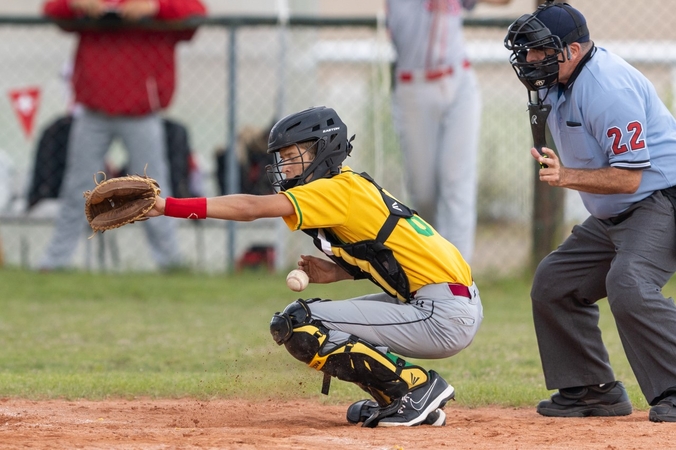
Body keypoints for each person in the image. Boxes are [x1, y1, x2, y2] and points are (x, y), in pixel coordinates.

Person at [146, 106, 483, 427]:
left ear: (323, 153)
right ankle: (397, 398)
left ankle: (415, 389)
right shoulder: (349, 185)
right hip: (445, 303)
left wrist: (166, 206)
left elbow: (250, 207)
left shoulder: (333, 190)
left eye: (293, 157)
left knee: (299, 323)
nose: (286, 167)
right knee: (318, 321)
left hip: (441, 314)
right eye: (282, 159)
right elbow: (391, 255)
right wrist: (337, 271)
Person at [504, 2, 676, 422]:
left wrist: (567, 176)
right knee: (553, 282)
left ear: (574, 50)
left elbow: (631, 179)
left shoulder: (608, 88)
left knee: (629, 283)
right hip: (614, 214)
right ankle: (592, 391)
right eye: (527, 50)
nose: (530, 60)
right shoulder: (557, 79)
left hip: (659, 200)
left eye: (541, 51)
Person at [39, 0, 207, 271]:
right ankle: (55, 262)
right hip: (93, 110)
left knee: (154, 189)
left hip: (142, 113)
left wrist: (155, 7)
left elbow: (196, 13)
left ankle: (171, 262)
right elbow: (52, 9)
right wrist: (78, 4)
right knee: (76, 188)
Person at [385, 0, 511, 262]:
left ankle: (459, 278)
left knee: (457, 185)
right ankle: (429, 266)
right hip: (413, 87)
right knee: (424, 194)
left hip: (459, 81)